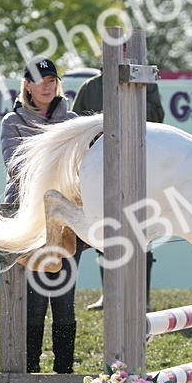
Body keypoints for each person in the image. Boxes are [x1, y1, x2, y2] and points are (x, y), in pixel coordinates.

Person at [1, 57, 79, 373]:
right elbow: (16, 167)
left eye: (51, 80)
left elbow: (79, 170)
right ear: (27, 85)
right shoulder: (12, 121)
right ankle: (29, 373)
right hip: (28, 219)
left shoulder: (73, 120)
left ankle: (64, 374)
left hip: (65, 221)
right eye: (39, 80)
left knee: (63, 303)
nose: (46, 86)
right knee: (32, 305)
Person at [71, 63, 164, 310]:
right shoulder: (90, 87)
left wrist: (126, 104)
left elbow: (158, 116)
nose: (120, 51)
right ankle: (109, 295)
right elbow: (75, 126)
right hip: (102, 167)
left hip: (139, 165)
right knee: (105, 230)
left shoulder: (146, 82)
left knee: (142, 232)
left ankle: (142, 297)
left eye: (124, 46)